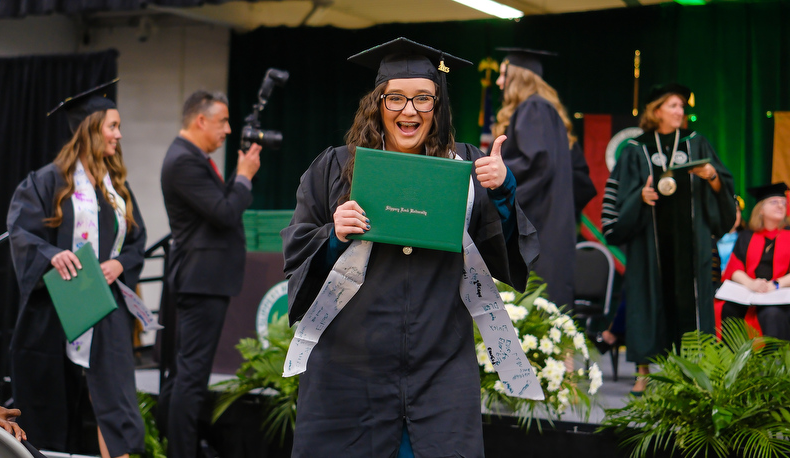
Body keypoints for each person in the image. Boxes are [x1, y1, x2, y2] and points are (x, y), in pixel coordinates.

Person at [281, 37, 539, 457]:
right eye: (395, 98)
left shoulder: (468, 169)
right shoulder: (335, 168)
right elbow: (296, 250)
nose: (409, 110)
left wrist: (505, 191)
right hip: (350, 372)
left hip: (439, 369)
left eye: (424, 98)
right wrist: (334, 234)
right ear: (377, 103)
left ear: (438, 107)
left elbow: (505, 252)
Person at [6, 80, 147, 457]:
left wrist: (120, 262)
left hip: (105, 308)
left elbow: (137, 240)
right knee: (52, 402)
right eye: (112, 126)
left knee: (117, 406)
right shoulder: (47, 181)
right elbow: (21, 232)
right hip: (58, 306)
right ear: (90, 128)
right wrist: (50, 254)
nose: (119, 134)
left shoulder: (117, 186)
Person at [601, 83, 736, 394]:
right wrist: (641, 196)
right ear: (656, 110)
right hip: (650, 246)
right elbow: (616, 198)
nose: (680, 112)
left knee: (693, 304)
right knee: (645, 304)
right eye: (674, 105)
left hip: (693, 244)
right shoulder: (636, 149)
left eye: (681, 107)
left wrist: (712, 176)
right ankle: (643, 372)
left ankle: (696, 373)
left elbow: (723, 186)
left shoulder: (696, 143)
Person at [158, 90, 262, 458]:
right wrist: (245, 176)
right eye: (222, 122)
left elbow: (218, 209)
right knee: (191, 377)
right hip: (200, 281)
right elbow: (224, 213)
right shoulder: (184, 161)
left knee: (188, 373)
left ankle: (177, 446)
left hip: (204, 280)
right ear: (200, 120)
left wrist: (240, 176)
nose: (228, 130)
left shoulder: (192, 158)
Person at [493, 47, 588, 310]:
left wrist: (493, 179)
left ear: (518, 77)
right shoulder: (548, 112)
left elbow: (535, 164)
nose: (499, 82)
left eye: (504, 74)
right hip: (553, 226)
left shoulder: (533, 108)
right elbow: (581, 180)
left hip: (537, 227)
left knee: (534, 305)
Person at [718, 183, 790, 340]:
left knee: (772, 314)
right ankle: (732, 362)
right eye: (774, 202)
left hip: (781, 295)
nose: (780, 206)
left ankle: (774, 363)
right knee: (728, 309)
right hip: (749, 292)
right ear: (761, 209)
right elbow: (735, 267)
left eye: (783, 203)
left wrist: (776, 284)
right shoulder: (747, 236)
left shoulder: (789, 235)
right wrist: (751, 283)